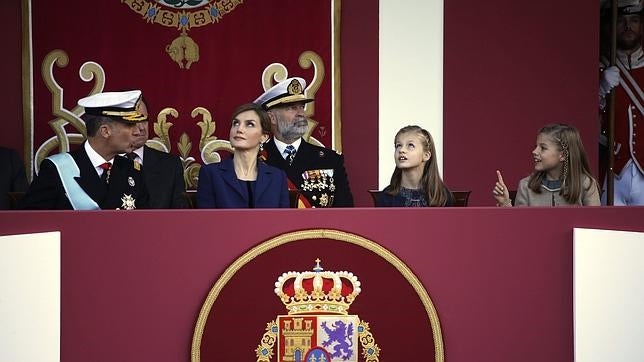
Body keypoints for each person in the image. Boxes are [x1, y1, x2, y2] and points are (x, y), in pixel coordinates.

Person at [19, 90, 149, 210]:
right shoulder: (56, 170)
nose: (137, 131)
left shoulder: (132, 170)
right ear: (105, 131)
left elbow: (144, 223)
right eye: (130, 125)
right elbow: (31, 224)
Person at [254, 77, 354, 207]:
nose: (301, 113)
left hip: (317, 227)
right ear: (272, 117)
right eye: (291, 108)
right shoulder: (256, 159)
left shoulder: (329, 159)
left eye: (301, 107)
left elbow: (345, 210)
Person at [197, 103, 289, 208]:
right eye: (235, 123)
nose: (239, 129)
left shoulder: (277, 177)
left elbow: (283, 221)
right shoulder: (211, 174)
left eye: (249, 124)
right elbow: (206, 221)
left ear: (263, 137)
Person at [598, 0, 644, 205]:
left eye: (634, 20)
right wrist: (600, 88)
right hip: (611, 170)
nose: (628, 27)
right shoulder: (599, 67)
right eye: (621, 21)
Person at [492, 124, 601, 207]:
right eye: (536, 146)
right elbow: (517, 228)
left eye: (543, 148)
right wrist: (505, 203)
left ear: (562, 155)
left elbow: (595, 229)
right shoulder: (526, 186)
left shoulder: (586, 184)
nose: (534, 151)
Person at [125, 97, 188, 208]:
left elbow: (180, 217)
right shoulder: (104, 161)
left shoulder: (170, 165)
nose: (141, 127)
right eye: (133, 121)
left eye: (144, 120)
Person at [375, 125, 454, 207]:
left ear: (426, 155)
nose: (401, 150)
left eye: (410, 145)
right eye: (398, 145)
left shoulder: (442, 196)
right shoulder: (386, 197)